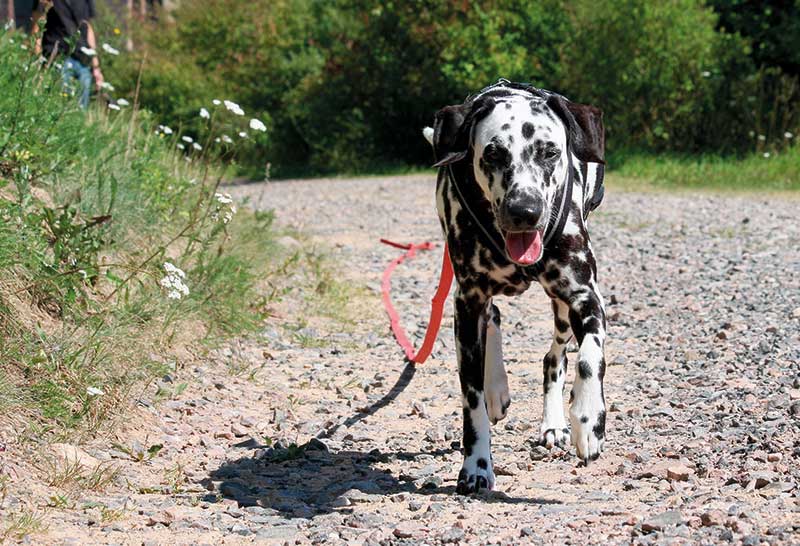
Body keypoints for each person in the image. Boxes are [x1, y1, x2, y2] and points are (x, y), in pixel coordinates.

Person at [32, 0, 105, 109]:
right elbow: (37, 27)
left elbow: (88, 27)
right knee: (61, 105)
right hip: (58, 57)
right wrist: (38, 61)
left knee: (81, 107)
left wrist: (96, 67)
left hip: (82, 59)